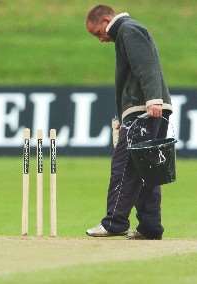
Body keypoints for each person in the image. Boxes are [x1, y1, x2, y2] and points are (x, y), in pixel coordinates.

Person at [84, 5, 173, 240]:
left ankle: (115, 222)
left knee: (124, 166)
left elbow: (146, 66)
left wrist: (153, 99)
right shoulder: (131, 29)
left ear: (105, 20)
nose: (100, 39)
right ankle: (150, 227)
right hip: (148, 109)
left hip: (145, 109)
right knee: (148, 170)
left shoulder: (128, 30)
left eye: (97, 33)